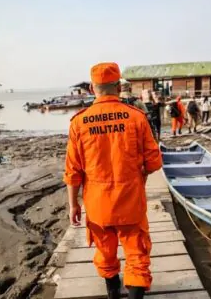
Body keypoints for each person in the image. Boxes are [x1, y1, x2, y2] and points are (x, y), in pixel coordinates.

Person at [64, 62, 162, 299]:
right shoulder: (136, 118)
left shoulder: (79, 122)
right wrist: (140, 179)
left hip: (98, 204)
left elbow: (73, 170)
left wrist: (73, 204)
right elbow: (153, 161)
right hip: (130, 201)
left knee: (105, 251)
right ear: (118, 86)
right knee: (137, 254)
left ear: (91, 88)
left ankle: (112, 292)